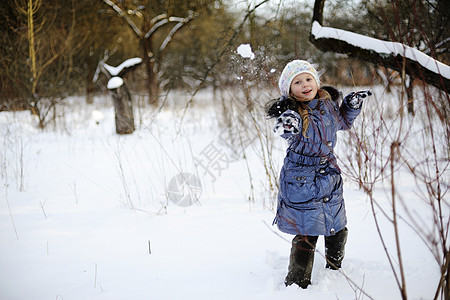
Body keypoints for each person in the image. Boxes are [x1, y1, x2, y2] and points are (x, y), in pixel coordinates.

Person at [265, 60, 371, 289]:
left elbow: (342, 122)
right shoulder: (292, 112)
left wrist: (351, 106)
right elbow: (289, 132)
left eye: (308, 79)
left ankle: (336, 269)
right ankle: (296, 283)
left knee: (336, 223)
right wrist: (287, 124)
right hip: (301, 176)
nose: (305, 85)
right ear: (289, 89)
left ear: (316, 81)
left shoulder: (327, 104)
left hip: (328, 172)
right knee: (307, 230)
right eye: (297, 82)